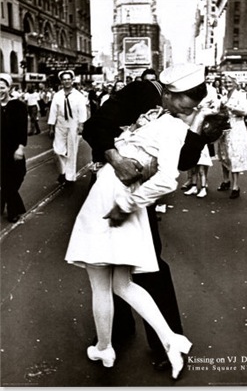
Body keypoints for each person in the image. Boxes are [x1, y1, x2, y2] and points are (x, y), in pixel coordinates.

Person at [65, 64, 213, 378]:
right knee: (115, 269)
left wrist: (198, 132)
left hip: (136, 195)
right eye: (186, 103)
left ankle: (161, 342)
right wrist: (116, 159)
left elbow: (182, 162)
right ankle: (119, 333)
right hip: (114, 184)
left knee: (144, 265)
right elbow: (95, 127)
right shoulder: (141, 92)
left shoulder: (180, 117)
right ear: (171, 93)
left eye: (194, 107)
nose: (188, 110)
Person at [47, 70, 87, 184]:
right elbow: (53, 112)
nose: (67, 81)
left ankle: (69, 177)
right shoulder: (57, 95)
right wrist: (51, 127)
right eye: (64, 79)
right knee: (57, 150)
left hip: (73, 125)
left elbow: (82, 111)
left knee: (72, 151)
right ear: (61, 81)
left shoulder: (78, 96)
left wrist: (81, 125)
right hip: (60, 125)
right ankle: (63, 171)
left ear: (72, 80)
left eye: (69, 79)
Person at [217, 75, 247, 199]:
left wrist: (230, 108)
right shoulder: (224, 96)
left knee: (234, 156)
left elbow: (245, 112)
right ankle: (226, 181)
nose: (227, 84)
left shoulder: (240, 95)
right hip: (224, 129)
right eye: (225, 82)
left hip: (236, 128)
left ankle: (236, 186)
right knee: (224, 155)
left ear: (235, 83)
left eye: (229, 82)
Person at [0, 73, 28, 223]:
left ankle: (3, 198)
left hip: (14, 149)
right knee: (4, 180)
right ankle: (13, 210)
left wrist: (20, 148)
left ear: (9, 88)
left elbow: (22, 129)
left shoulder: (18, 106)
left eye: (2, 88)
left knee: (18, 175)